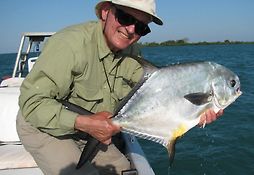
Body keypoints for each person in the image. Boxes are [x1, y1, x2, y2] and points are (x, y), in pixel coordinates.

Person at [16, 0, 223, 175]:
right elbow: (33, 104)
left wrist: (194, 112)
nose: (131, 29)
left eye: (141, 27)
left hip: (94, 129)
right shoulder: (70, 45)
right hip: (42, 127)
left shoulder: (133, 53)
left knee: (125, 170)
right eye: (125, 18)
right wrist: (85, 123)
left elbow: (157, 95)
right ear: (106, 12)